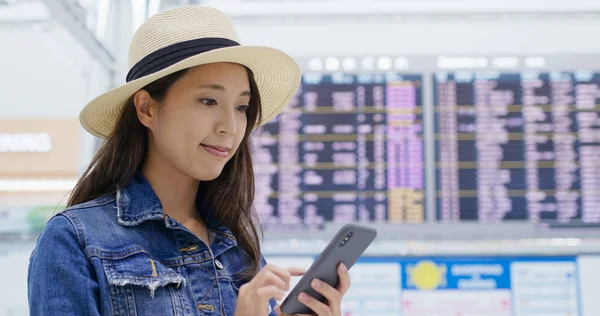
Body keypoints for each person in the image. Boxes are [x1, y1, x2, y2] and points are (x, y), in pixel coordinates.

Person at [27, 6, 351, 316]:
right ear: (147, 109)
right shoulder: (74, 241)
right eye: (208, 100)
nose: (229, 126)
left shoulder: (237, 248)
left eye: (241, 107)